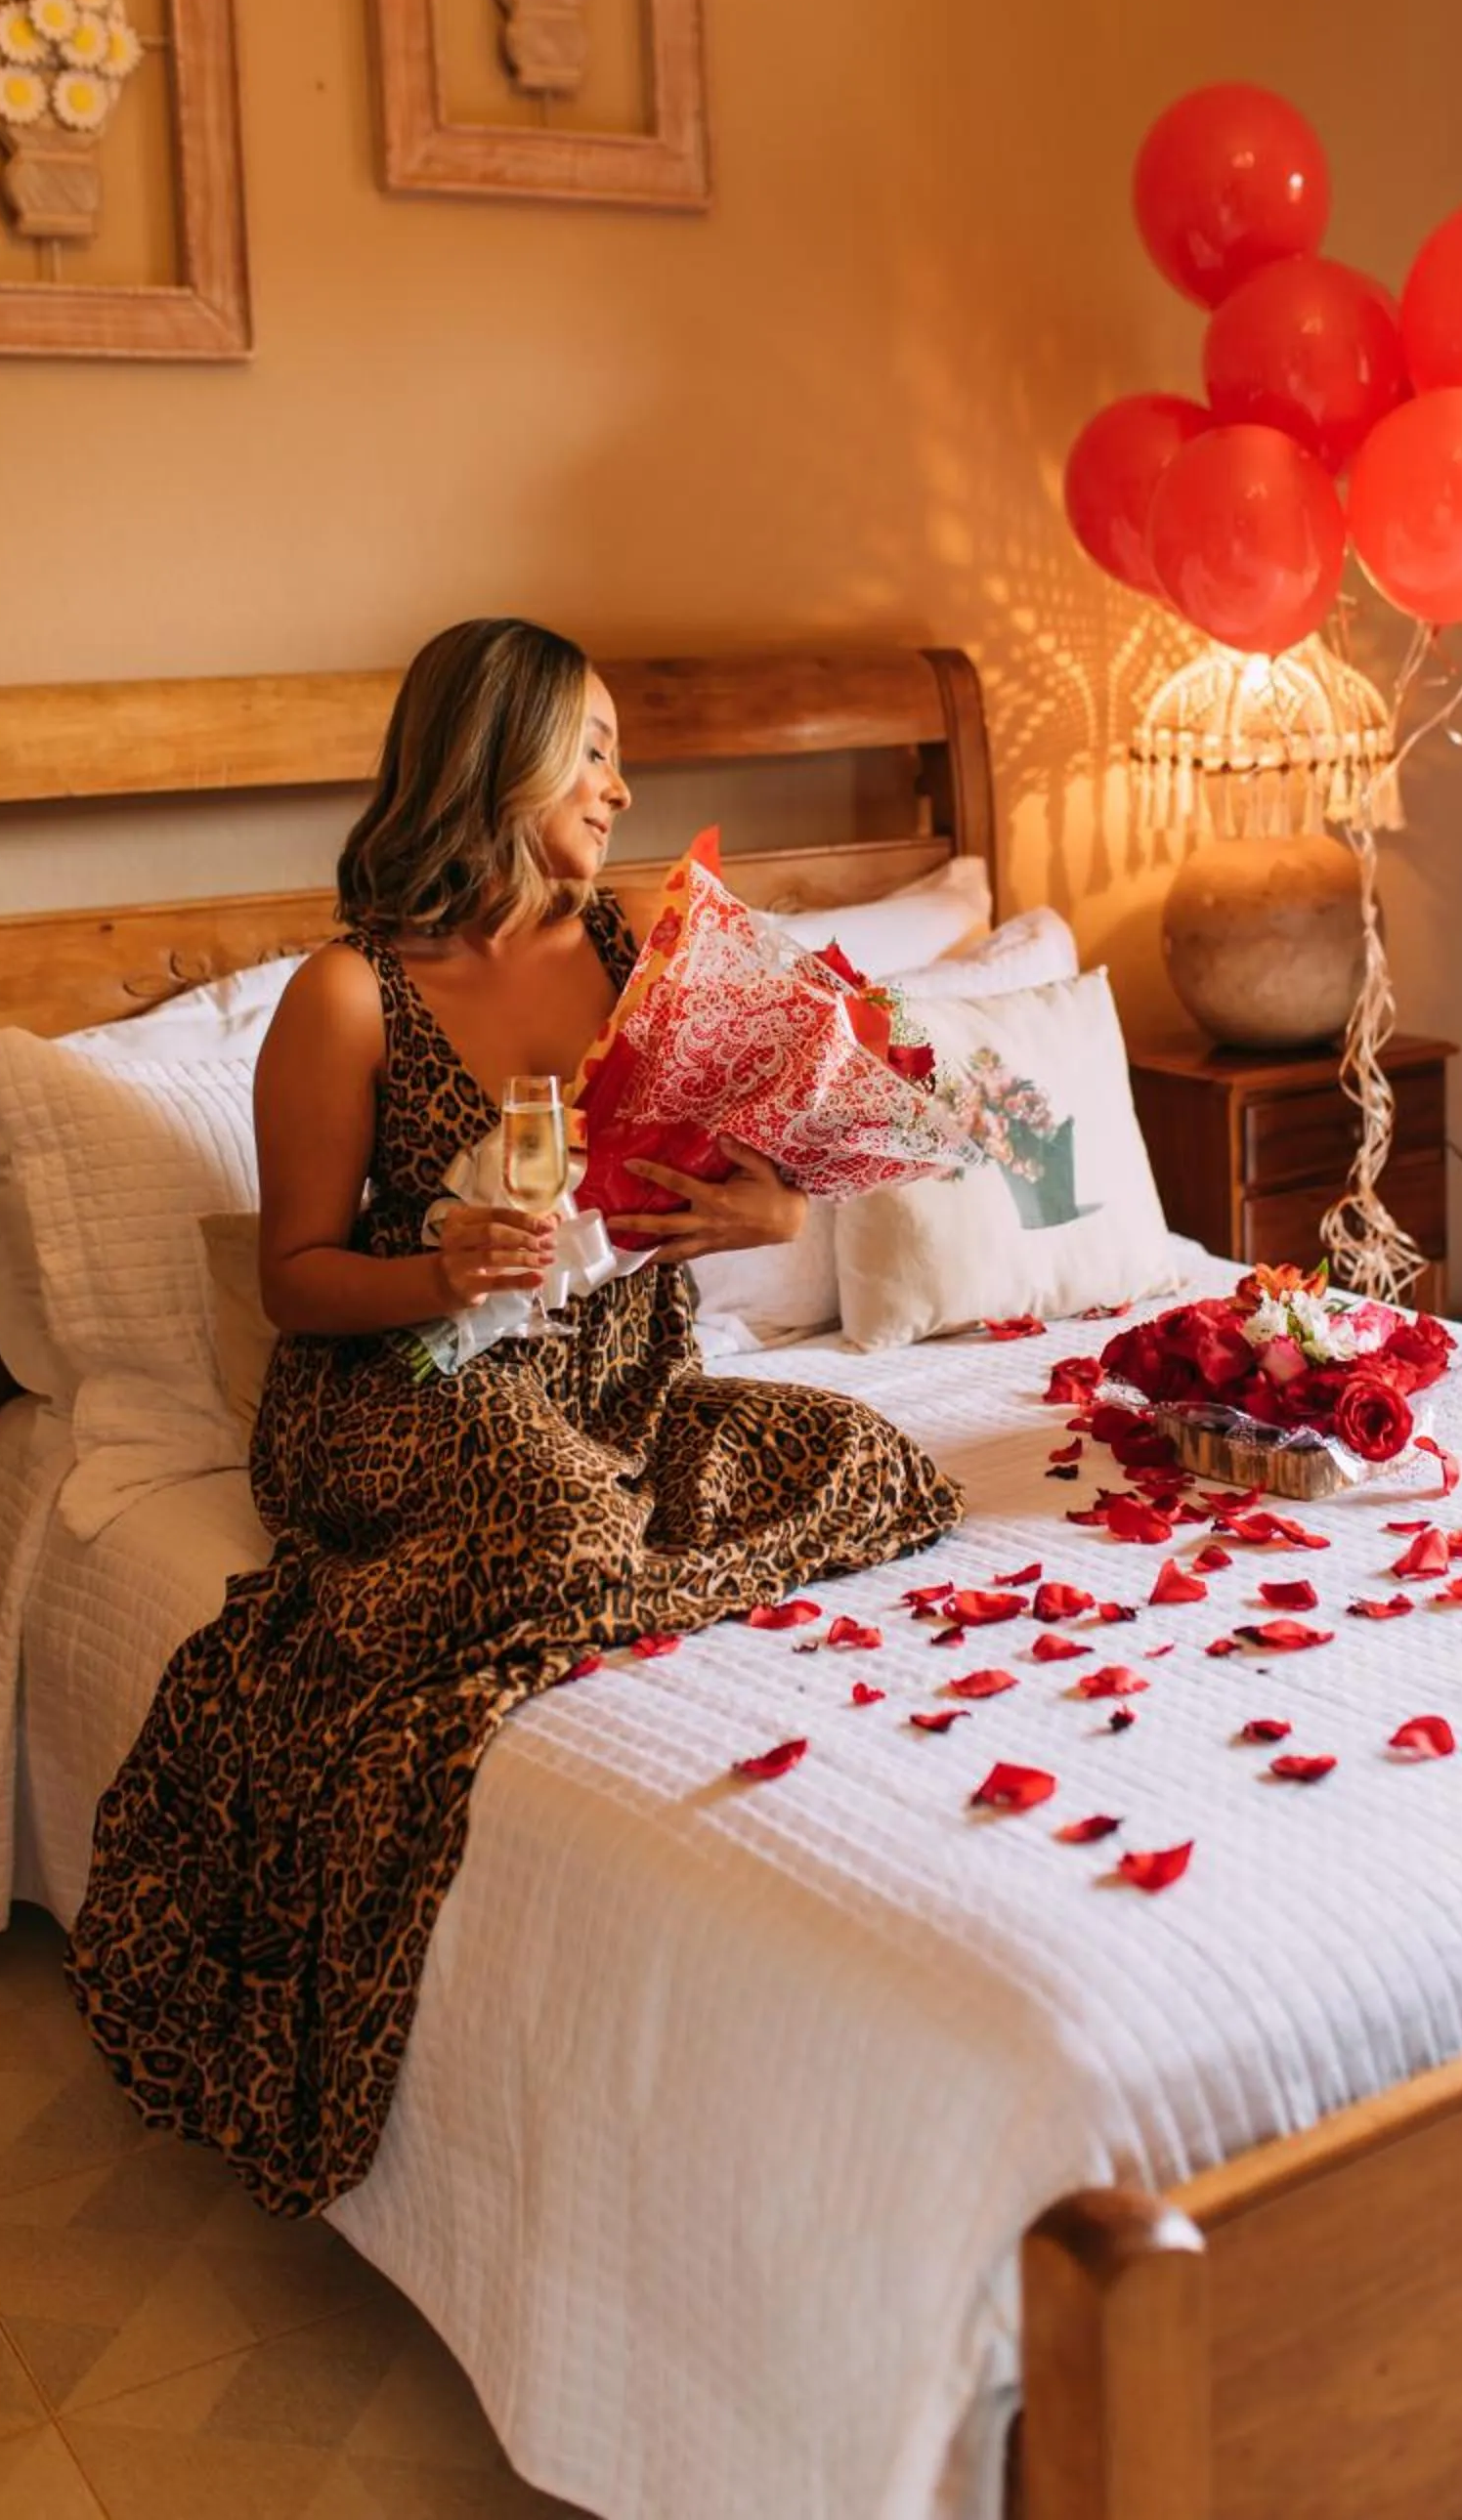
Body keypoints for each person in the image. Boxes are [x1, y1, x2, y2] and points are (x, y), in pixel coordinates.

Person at [67, 619, 964, 2213]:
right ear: (500, 751)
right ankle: (561, 1563)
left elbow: (708, 1187)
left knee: (864, 1456)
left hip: (615, 1386)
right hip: (398, 1401)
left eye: (622, 753)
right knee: (556, 1519)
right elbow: (292, 1281)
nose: (622, 786)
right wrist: (433, 1267)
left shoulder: (633, 959)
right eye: (596, 748)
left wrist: (760, 1217)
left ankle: (592, 1556)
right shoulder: (347, 997)